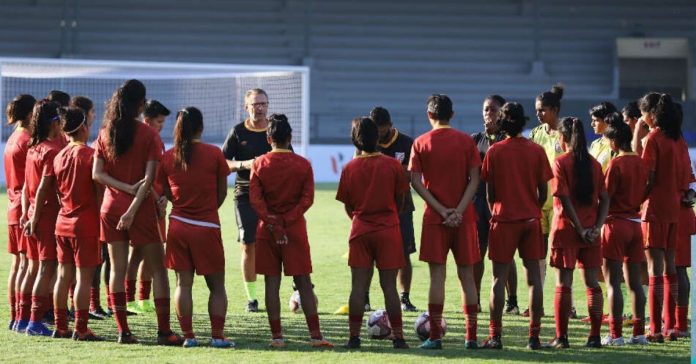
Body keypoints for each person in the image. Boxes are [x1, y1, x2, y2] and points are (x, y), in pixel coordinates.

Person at [92, 79, 182, 345]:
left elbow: (98, 174)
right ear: (141, 104)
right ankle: (164, 332)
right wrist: (132, 206)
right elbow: (148, 178)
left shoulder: (106, 131)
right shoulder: (149, 136)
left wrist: (123, 189)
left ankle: (123, 331)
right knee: (158, 270)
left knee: (117, 270)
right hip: (140, 211)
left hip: (110, 208)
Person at [250, 113, 333, 349]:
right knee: (304, 282)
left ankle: (277, 337)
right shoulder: (303, 164)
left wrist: (273, 222)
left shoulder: (259, 163)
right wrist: (287, 221)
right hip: (294, 229)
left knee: (271, 284)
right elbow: (307, 200)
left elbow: (256, 201)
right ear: (290, 138)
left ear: (268, 139)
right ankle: (316, 336)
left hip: (267, 230)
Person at [409, 94, 480, 350]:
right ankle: (471, 337)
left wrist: (441, 210)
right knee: (467, 277)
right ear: (452, 114)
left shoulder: (420, 142)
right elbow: (475, 179)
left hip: (435, 219)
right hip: (465, 218)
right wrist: (458, 211)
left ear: (429, 115)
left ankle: (436, 336)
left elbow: (415, 181)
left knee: (437, 277)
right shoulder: (465, 142)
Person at [159, 107, 234, 348]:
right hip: (206, 226)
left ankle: (189, 337)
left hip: (178, 226)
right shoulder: (214, 154)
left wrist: (182, 205)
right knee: (217, 286)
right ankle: (217, 336)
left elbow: (167, 193)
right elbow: (222, 192)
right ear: (201, 127)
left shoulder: (169, 156)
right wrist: (207, 209)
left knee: (183, 284)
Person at [480, 102, 552, 350]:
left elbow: (490, 193)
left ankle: (495, 336)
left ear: (503, 122)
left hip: (503, 220)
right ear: (524, 122)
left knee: (498, 279)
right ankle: (534, 337)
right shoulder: (536, 151)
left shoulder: (495, 151)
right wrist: (531, 208)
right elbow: (543, 191)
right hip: (530, 221)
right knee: (534, 280)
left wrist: (497, 213)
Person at [337, 117, 409, 350]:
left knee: (358, 287)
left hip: (361, 231)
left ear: (355, 140)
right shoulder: (392, 165)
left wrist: (359, 219)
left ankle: (354, 338)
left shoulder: (349, 167)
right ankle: (398, 338)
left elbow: (347, 205)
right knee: (389, 287)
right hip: (388, 230)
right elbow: (401, 200)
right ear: (376, 137)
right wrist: (388, 217)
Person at [548, 117, 609, 349]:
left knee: (564, 284)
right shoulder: (593, 164)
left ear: (563, 138)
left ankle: (561, 338)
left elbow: (563, 198)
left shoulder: (561, 163)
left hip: (567, 230)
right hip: (591, 234)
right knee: (592, 284)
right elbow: (605, 199)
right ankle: (594, 337)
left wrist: (579, 228)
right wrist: (596, 227)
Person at [50, 106, 104, 341]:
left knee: (63, 276)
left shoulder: (59, 155)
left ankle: (60, 326)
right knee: (83, 278)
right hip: (86, 224)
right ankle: (81, 328)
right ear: (83, 127)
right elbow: (100, 194)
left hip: (62, 222)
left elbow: (56, 193)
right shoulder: (90, 156)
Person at [222, 88, 274, 312]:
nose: (260, 108)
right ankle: (252, 299)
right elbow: (223, 163)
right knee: (247, 245)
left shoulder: (275, 129)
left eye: (263, 104)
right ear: (246, 107)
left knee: (277, 243)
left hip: (273, 196)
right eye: (255, 104)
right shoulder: (237, 132)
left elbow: (287, 156)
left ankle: (294, 287)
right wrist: (244, 164)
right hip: (244, 194)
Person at [638, 93, 684, 342]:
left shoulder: (653, 138)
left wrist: (636, 200)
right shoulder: (678, 139)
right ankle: (673, 325)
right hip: (673, 209)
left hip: (654, 207)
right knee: (670, 267)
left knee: (654, 269)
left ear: (653, 115)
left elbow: (648, 177)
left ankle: (655, 328)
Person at [599, 117, 648, 346]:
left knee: (612, 283)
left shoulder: (616, 164)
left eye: (608, 140)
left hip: (616, 224)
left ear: (615, 141)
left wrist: (597, 223)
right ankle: (638, 333)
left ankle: (616, 334)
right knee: (635, 283)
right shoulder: (639, 161)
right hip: (636, 225)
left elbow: (605, 196)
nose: (607, 144)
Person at [471, 95, 520, 315]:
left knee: (505, 254)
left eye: (492, 109)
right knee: (477, 252)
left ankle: (512, 301)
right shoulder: (475, 139)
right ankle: (476, 299)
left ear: (502, 113)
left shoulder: (509, 139)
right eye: (485, 109)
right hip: (479, 202)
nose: (488, 114)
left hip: (504, 201)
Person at [21, 100, 66, 335]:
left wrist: (27, 214)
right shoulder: (51, 150)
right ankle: (35, 322)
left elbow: (28, 186)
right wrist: (36, 217)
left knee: (35, 268)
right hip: (45, 216)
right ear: (54, 123)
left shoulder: (33, 148)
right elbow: (41, 188)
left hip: (33, 214)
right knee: (45, 269)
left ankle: (23, 317)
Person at [125, 99, 170, 314]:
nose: (162, 126)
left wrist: (164, 197)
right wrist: (155, 199)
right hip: (145, 204)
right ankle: (131, 299)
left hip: (156, 202)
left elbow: (159, 176)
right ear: (147, 120)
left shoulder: (157, 140)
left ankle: (142, 298)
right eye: (159, 121)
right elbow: (146, 177)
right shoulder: (144, 140)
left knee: (149, 252)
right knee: (139, 253)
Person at [529, 84, 570, 318]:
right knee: (538, 254)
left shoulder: (566, 133)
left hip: (560, 205)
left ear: (554, 109)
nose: (538, 114)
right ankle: (538, 304)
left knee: (561, 256)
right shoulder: (536, 134)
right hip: (538, 202)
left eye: (542, 110)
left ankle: (567, 303)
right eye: (536, 110)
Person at [371, 106, 418, 312]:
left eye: (382, 130)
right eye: (376, 131)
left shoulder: (407, 143)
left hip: (401, 204)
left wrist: (388, 171)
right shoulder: (367, 141)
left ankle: (404, 297)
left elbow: (412, 174)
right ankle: (365, 298)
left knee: (404, 252)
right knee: (371, 253)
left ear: (390, 125)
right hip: (375, 205)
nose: (379, 135)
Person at [70, 96, 109, 319]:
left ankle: (69, 314)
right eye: (93, 111)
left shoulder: (64, 152)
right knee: (88, 267)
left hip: (66, 219)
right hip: (86, 219)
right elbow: (97, 185)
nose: (95, 115)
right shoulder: (88, 153)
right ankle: (83, 315)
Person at [4, 94, 36, 331]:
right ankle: (24, 317)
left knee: (18, 265)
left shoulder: (14, 137)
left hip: (12, 208)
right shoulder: (27, 141)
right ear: (28, 115)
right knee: (27, 266)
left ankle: (15, 316)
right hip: (24, 209)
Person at [589, 102, 618, 172]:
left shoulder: (618, 145)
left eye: (595, 120)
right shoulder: (594, 144)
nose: (592, 124)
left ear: (607, 120)